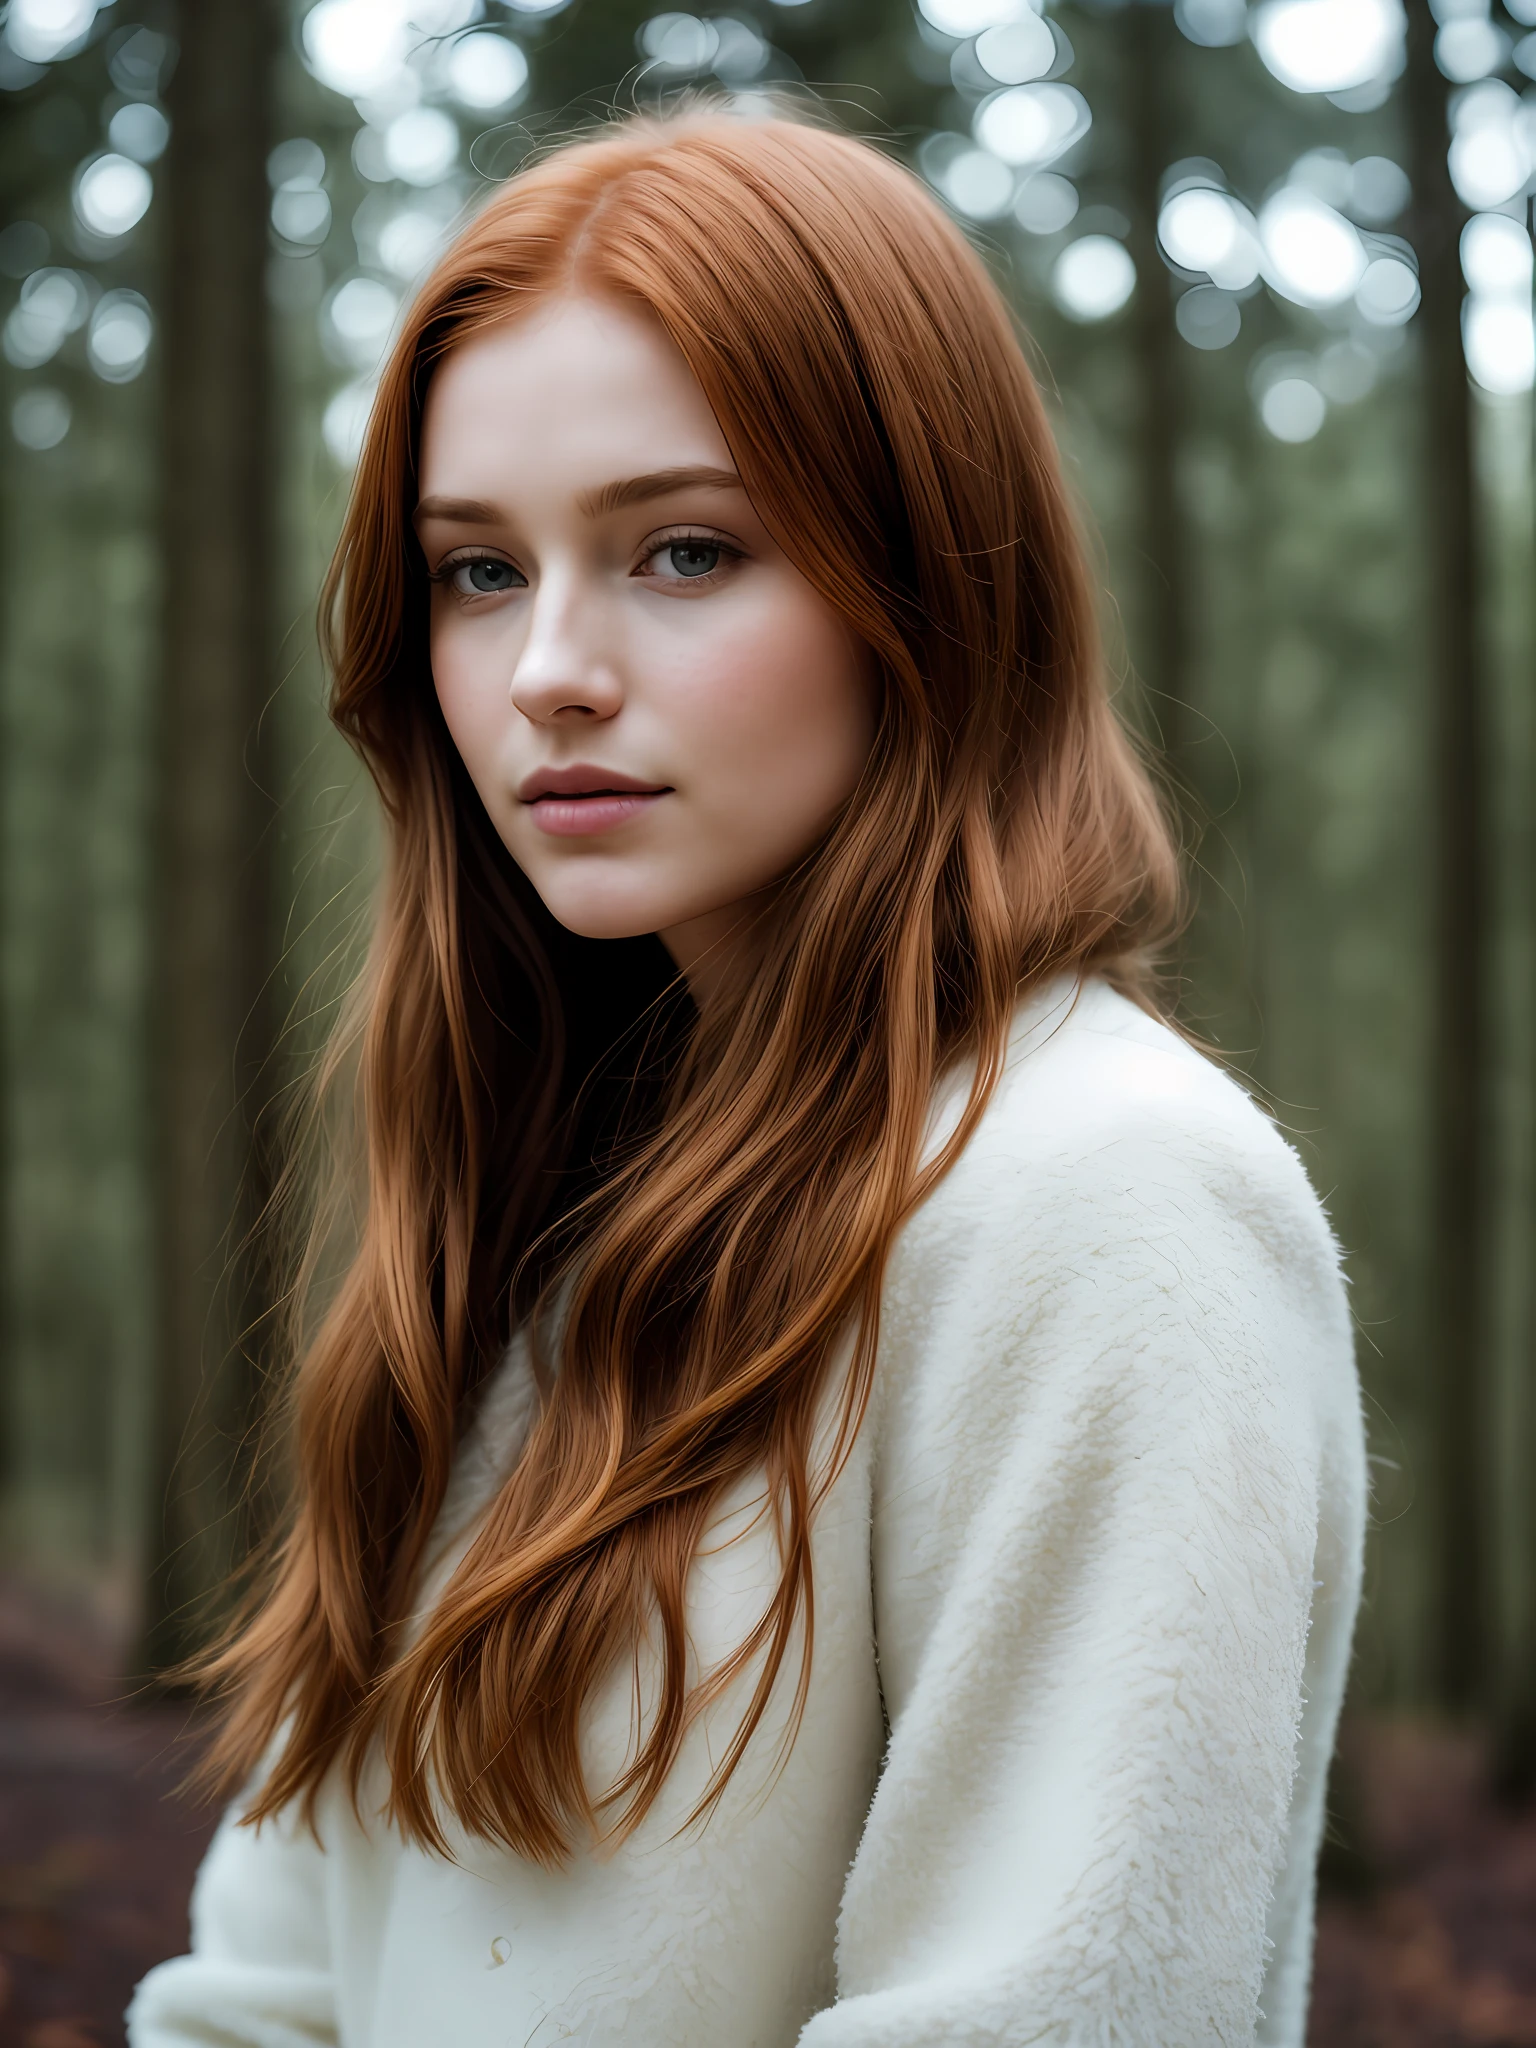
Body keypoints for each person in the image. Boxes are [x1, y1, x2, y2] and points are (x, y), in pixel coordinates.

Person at [129, 109, 1365, 2048]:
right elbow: (267, 1993)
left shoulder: (1104, 1197)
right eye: (473, 572)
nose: (546, 667)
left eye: (682, 549)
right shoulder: (541, 1199)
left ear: (928, 586)